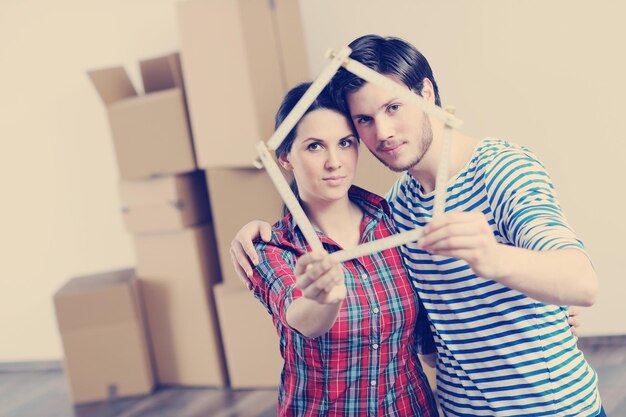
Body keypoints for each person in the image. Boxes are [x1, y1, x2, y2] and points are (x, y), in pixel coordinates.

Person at [231, 35, 604, 416]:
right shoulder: (396, 209)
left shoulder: (502, 170)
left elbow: (582, 282)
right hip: (459, 409)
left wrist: (494, 259)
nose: (384, 132)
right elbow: (427, 327)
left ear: (426, 94)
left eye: (394, 107)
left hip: (551, 408)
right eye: (365, 120)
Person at [246, 81, 439, 416]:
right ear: (285, 158)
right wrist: (324, 298)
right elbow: (304, 320)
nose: (334, 162)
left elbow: (431, 336)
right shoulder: (272, 248)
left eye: (345, 143)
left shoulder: (394, 221)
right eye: (315, 147)